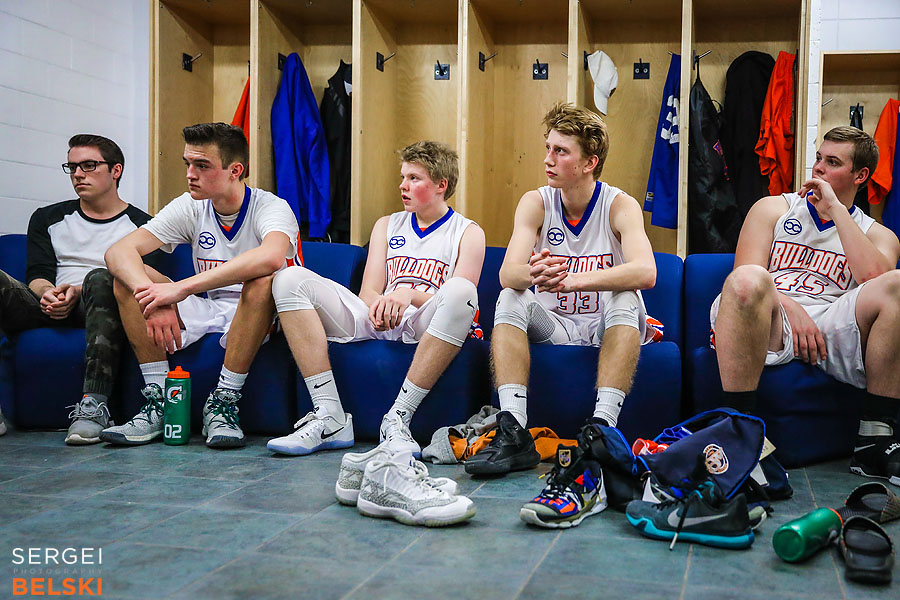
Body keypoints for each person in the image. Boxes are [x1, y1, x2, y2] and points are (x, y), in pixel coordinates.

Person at [466, 102, 657, 528]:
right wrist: (532, 271)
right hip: (557, 328)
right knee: (510, 297)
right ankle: (513, 429)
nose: (548, 160)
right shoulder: (536, 202)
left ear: (590, 162)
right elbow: (507, 272)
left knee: (627, 295)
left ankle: (600, 432)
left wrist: (576, 278)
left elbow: (646, 271)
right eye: (548, 148)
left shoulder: (618, 205)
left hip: (605, 324)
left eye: (561, 152)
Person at [266, 140, 485, 457]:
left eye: (414, 178)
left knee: (463, 292)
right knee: (289, 279)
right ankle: (330, 416)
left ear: (441, 185)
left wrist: (406, 295)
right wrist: (379, 305)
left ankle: (398, 418)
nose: (403, 186)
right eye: (402, 177)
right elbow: (369, 290)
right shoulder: (387, 224)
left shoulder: (467, 232)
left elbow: (462, 304)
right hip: (380, 317)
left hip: (428, 324)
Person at [712, 126, 900, 487]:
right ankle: (741, 437)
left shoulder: (878, 234)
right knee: (748, 280)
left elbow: (874, 278)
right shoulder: (772, 208)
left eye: (832, 162)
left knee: (897, 285)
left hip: (830, 326)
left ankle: (874, 440)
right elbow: (744, 274)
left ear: (860, 176)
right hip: (768, 315)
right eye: (818, 158)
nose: (818, 169)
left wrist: (837, 210)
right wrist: (790, 309)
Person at [100, 123, 299, 449]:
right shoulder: (190, 205)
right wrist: (155, 298)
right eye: (187, 164)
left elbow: (272, 257)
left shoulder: (272, 207)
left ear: (235, 170)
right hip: (211, 306)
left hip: (263, 311)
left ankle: (223, 402)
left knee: (262, 282)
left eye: (202, 166)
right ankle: (159, 400)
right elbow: (118, 251)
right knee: (127, 281)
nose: (190, 174)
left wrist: (181, 289)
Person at [0, 134, 157, 443]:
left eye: (88, 165)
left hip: (104, 306)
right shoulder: (48, 217)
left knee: (101, 278)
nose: (78, 175)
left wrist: (75, 289)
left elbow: (141, 281)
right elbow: (38, 273)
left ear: (116, 171)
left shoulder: (143, 226)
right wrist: (48, 292)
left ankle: (94, 407)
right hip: (48, 303)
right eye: (71, 167)